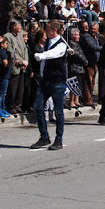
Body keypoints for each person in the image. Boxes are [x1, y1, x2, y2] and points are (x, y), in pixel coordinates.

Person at [30, 20, 70, 150]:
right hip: (45, 80)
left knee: (58, 111)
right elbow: (44, 62)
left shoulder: (62, 45)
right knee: (38, 106)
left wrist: (41, 55)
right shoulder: (47, 42)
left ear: (54, 30)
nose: (46, 32)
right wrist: (42, 73)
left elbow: (53, 54)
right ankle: (44, 136)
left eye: (48, 29)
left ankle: (58, 140)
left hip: (57, 82)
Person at [4, 20, 29, 114]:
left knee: (20, 88)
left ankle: (18, 105)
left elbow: (25, 49)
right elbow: (10, 51)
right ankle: (11, 106)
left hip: (23, 66)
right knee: (13, 88)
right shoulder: (7, 36)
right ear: (13, 27)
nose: (20, 27)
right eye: (19, 25)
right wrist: (21, 62)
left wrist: (25, 61)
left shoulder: (20, 36)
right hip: (15, 65)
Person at [79, 22, 102, 108]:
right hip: (89, 62)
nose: (92, 30)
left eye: (94, 29)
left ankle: (90, 98)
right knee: (88, 81)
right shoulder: (87, 36)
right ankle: (87, 100)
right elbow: (93, 47)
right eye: (91, 28)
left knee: (92, 82)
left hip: (95, 62)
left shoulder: (96, 37)